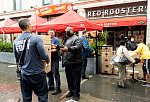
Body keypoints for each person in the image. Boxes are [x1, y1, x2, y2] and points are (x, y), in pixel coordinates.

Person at [13, 18, 50, 102]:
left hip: (24, 74)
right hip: (37, 73)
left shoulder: (15, 41)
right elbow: (44, 55)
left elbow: (17, 59)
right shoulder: (36, 38)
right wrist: (48, 61)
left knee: (26, 98)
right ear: (29, 26)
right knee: (42, 96)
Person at [60, 27, 82, 101]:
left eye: (68, 30)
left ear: (72, 31)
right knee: (69, 79)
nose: (67, 32)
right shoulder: (67, 39)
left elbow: (78, 47)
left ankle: (76, 94)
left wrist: (68, 49)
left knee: (76, 80)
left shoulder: (77, 38)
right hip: (68, 62)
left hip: (75, 63)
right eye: (66, 31)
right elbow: (65, 48)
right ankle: (71, 91)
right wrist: (59, 48)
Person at [47, 29, 62, 95]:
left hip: (55, 59)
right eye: (50, 33)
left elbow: (57, 49)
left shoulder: (56, 40)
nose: (51, 34)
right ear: (48, 33)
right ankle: (51, 86)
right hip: (48, 59)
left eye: (52, 32)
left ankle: (58, 88)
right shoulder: (47, 40)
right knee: (49, 73)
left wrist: (48, 51)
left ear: (54, 33)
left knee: (55, 73)